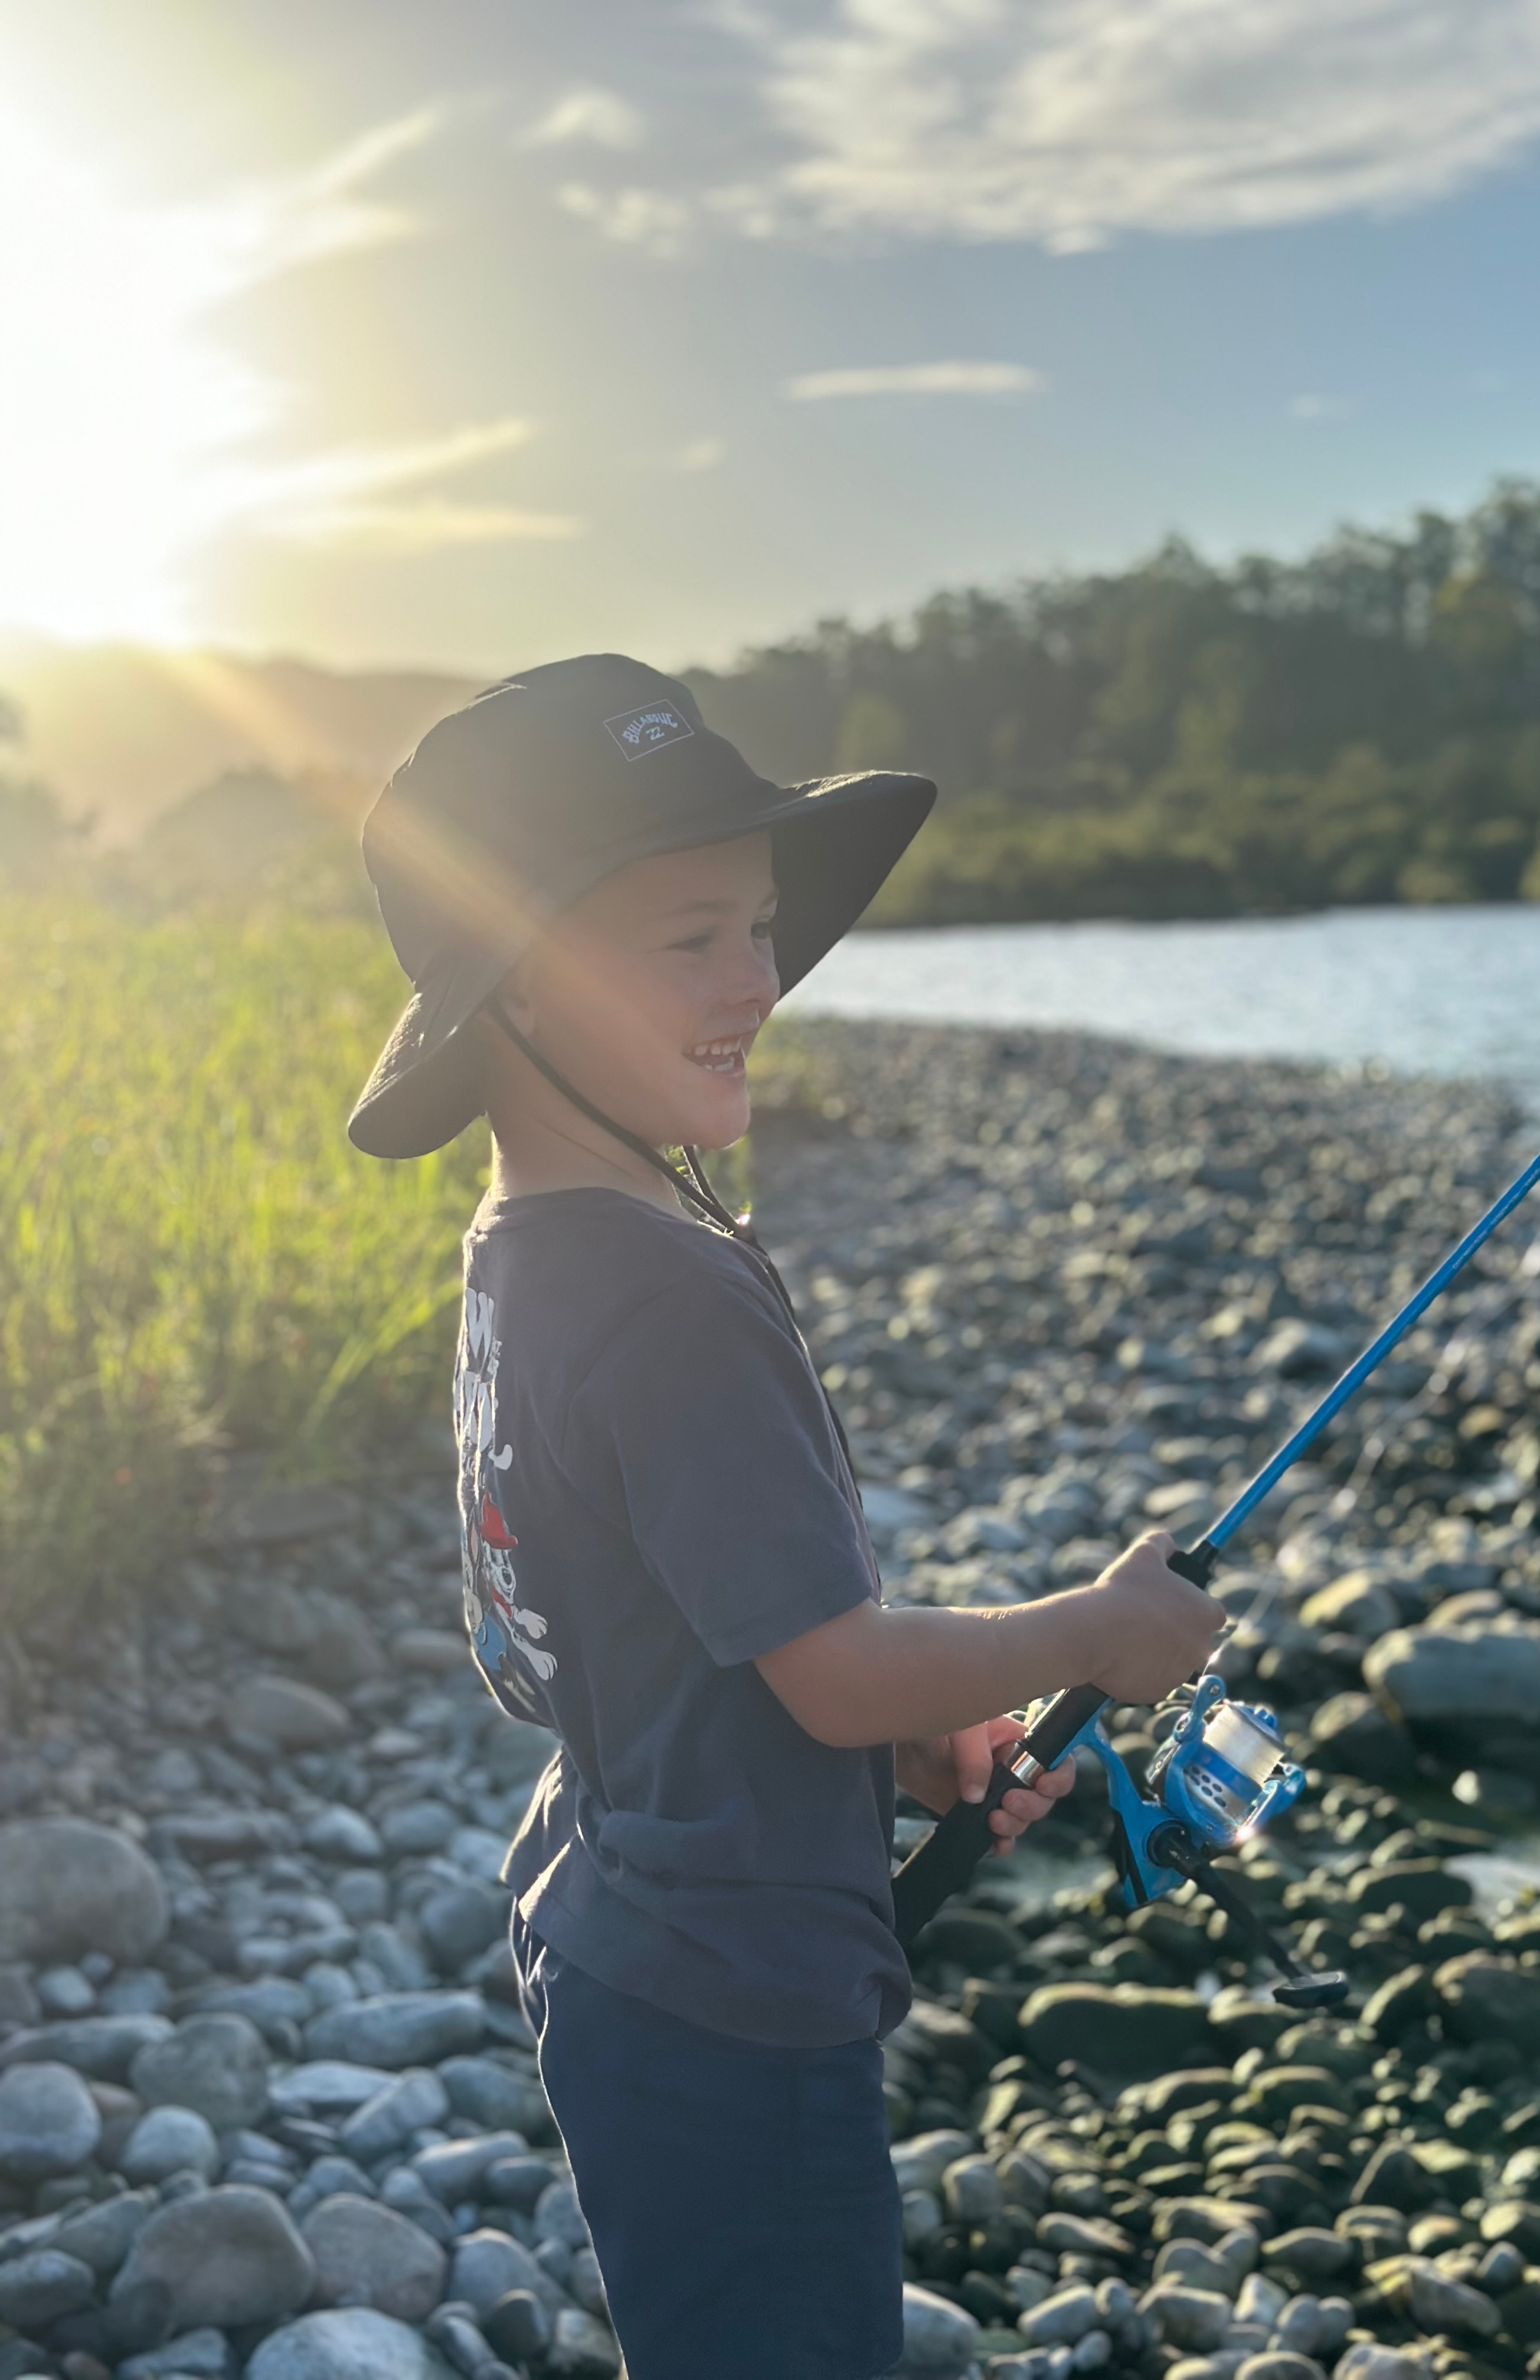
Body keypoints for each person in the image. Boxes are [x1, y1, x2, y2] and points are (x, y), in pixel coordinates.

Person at [346, 655, 1226, 2380]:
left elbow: (644, 1622)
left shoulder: (529, 1246)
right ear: (513, 990)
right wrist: (1094, 1639)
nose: (757, 979)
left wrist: (907, 1748)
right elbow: (825, 1666)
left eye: (758, 927)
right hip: (735, 2009)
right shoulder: (669, 1297)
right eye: (689, 939)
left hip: (610, 1919)